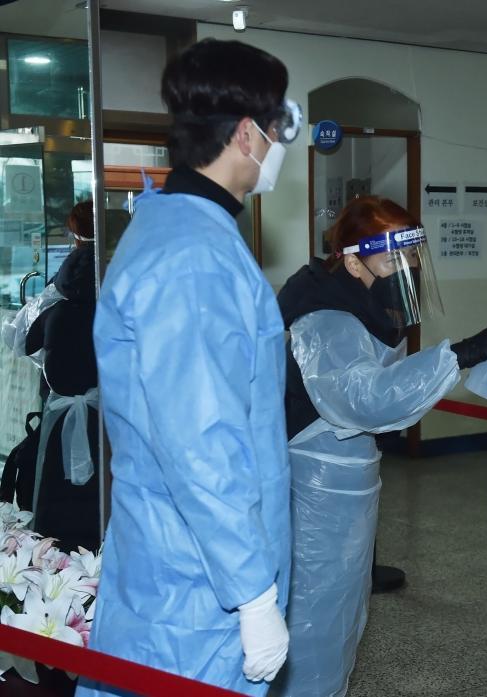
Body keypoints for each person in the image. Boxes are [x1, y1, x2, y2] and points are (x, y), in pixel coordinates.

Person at [76, 39, 301, 696]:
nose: (279, 145)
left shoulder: (172, 227)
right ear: (246, 134)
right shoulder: (195, 258)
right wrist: (253, 595)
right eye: (279, 127)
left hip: (173, 567)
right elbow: (203, 444)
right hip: (198, 591)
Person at [272, 195, 487, 697]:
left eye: (411, 255)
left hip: (343, 481)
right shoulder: (326, 316)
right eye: (394, 258)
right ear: (353, 261)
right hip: (318, 486)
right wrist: (455, 356)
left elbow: (378, 380)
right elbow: (362, 396)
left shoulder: (358, 304)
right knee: (315, 619)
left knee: (342, 611)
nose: (406, 267)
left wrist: (459, 358)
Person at [24, 200, 100, 552]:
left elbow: (25, 342)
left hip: (60, 413)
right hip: (109, 415)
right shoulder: (121, 293)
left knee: (57, 495)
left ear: (74, 237)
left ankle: (58, 565)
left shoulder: (57, 300)